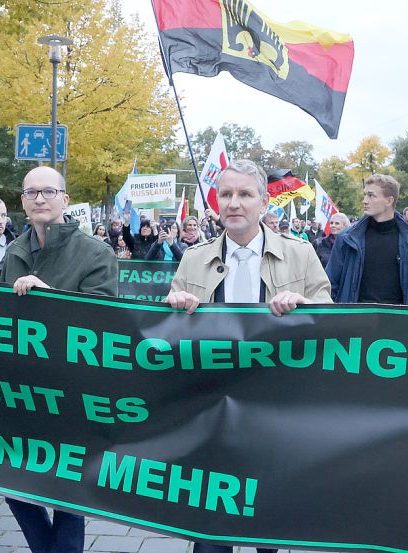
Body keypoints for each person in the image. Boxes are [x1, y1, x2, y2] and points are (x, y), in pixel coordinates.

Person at [165, 161, 330, 553]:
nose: (234, 203)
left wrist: (305, 305)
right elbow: (166, 333)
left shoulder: (300, 254)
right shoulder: (192, 258)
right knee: (210, 531)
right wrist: (174, 306)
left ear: (263, 202)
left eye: (244, 194)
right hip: (209, 407)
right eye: (226, 194)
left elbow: (328, 312)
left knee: (265, 526)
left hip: (273, 405)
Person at [1, 166, 118, 553]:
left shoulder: (95, 252)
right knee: (11, 482)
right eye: (31, 193)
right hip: (17, 388)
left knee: (68, 492)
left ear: (65, 200)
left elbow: (101, 321)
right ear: (22, 201)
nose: (39, 199)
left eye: (48, 191)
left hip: (70, 391)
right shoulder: (14, 251)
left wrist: (49, 296)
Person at [326, 174, 408, 306]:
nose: (365, 200)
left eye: (371, 195)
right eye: (365, 194)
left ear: (389, 201)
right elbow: (330, 283)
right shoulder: (347, 239)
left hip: (400, 321)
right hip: (356, 320)